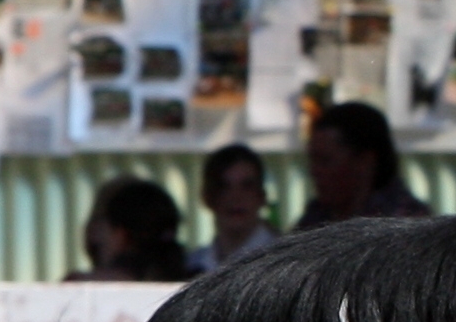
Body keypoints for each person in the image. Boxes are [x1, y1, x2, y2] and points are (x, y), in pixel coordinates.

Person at [295, 101, 433, 230]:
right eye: (313, 160)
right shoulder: (316, 215)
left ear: (365, 161)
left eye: (325, 161)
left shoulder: (405, 224)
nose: (314, 171)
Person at [68, 176, 191, 283]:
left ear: (121, 234)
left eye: (100, 223)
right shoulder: (195, 287)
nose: (93, 231)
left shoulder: (79, 287)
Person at [188, 142, 279, 275]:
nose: (236, 197)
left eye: (247, 186)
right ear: (207, 197)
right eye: (224, 187)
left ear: (262, 196)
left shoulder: (282, 261)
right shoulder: (192, 265)